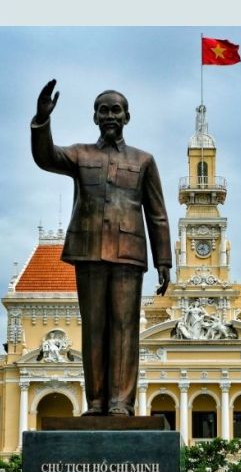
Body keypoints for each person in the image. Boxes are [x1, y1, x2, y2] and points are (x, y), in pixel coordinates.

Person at [29, 80, 172, 416]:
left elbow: (157, 214)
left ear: (127, 116)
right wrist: (41, 120)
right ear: (95, 117)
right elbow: (46, 156)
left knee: (124, 328)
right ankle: (95, 401)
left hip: (128, 254)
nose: (110, 116)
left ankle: (121, 401)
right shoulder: (81, 155)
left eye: (116, 110)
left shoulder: (144, 160)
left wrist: (163, 260)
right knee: (94, 327)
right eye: (103, 110)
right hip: (89, 250)